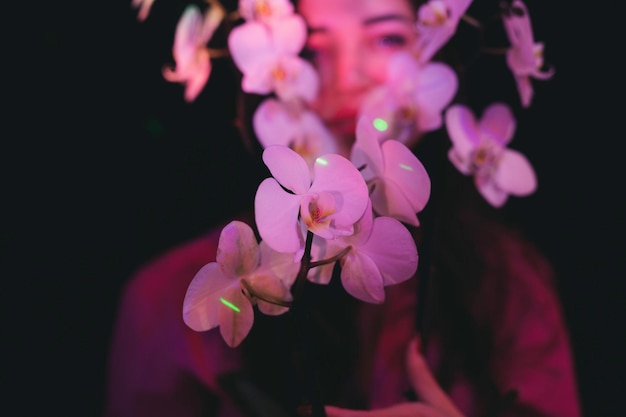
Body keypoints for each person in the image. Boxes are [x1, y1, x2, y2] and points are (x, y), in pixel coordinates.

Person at [104, 0, 582, 416]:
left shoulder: (507, 284)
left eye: (388, 37)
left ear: (436, 53)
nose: (346, 73)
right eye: (312, 48)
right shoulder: (164, 298)